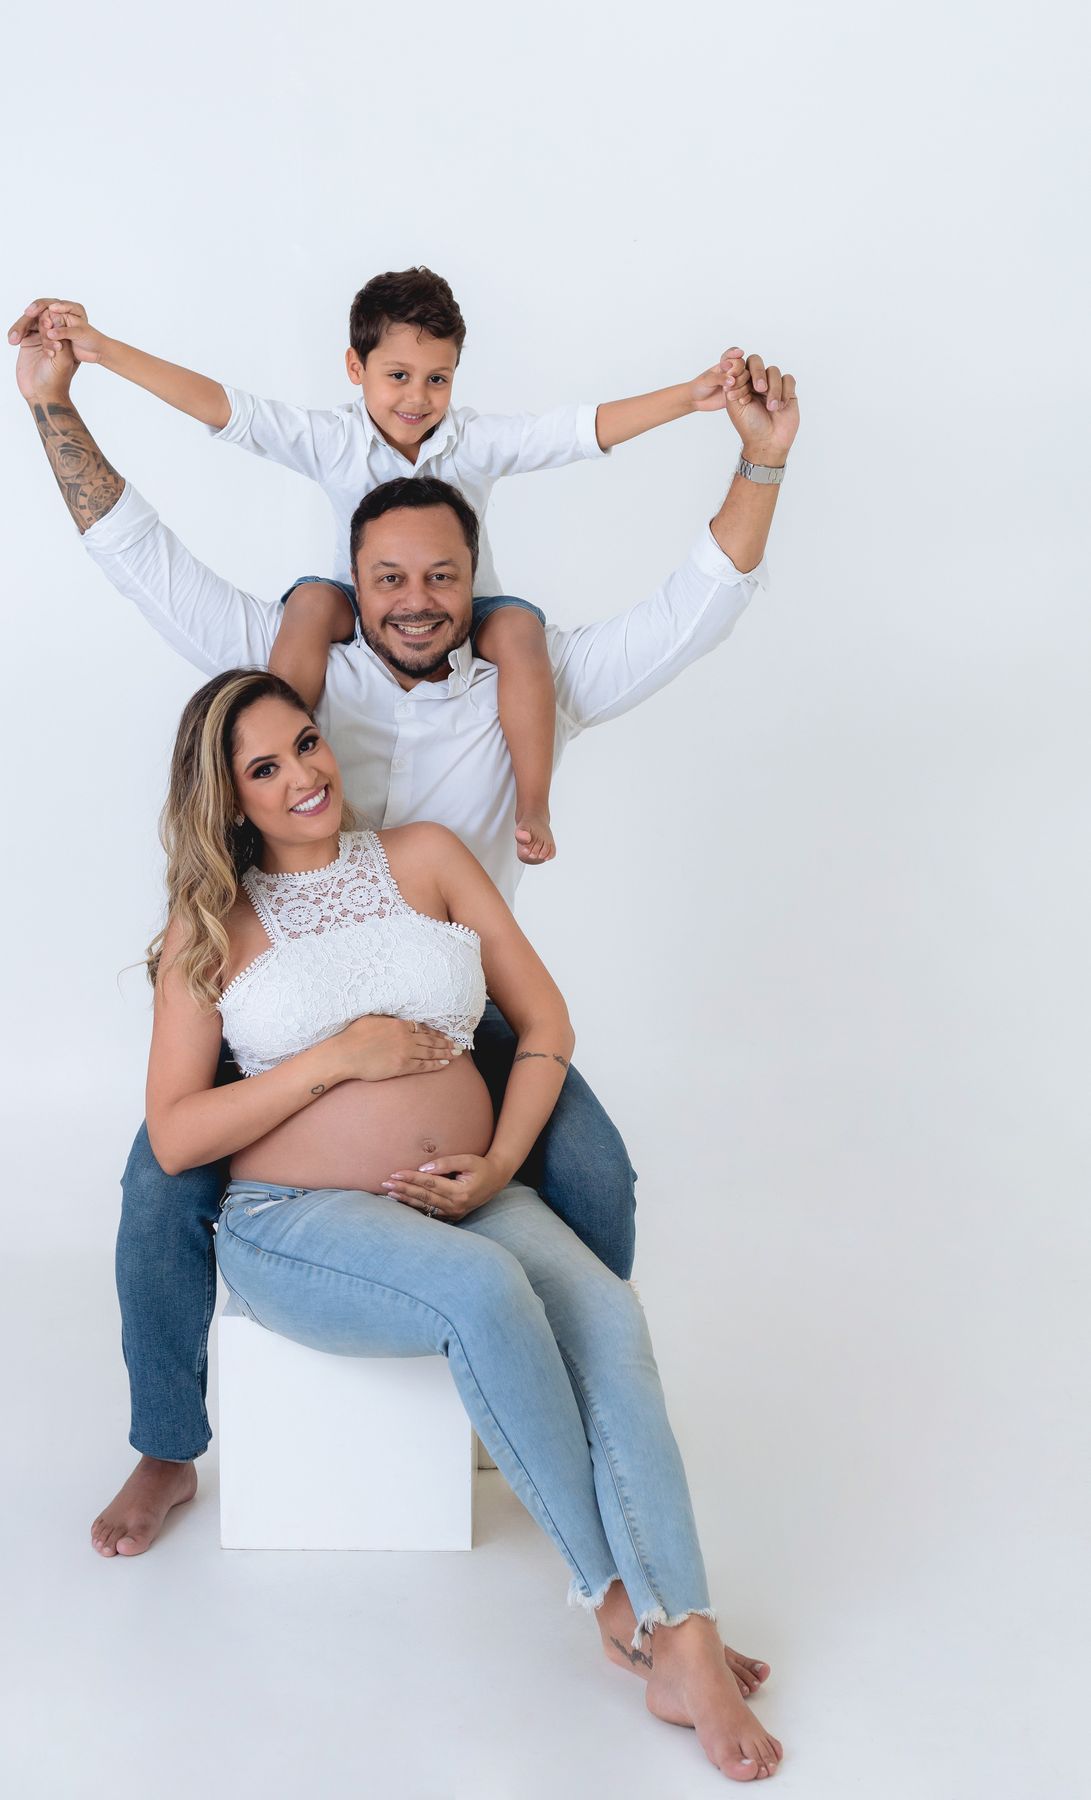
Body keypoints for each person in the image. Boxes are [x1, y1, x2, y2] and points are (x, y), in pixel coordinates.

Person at [10, 318, 798, 1578]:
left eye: (441, 579)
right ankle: (167, 1442)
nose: (416, 601)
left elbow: (695, 609)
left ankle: (542, 1387)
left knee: (596, 1172)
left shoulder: (531, 685)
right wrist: (57, 403)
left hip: (452, 999)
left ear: (476, 584)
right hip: (288, 1003)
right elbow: (140, 556)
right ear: (354, 584)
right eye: (388, 580)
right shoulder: (299, 693)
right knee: (157, 1186)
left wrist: (759, 460)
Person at [143, 662, 783, 1781]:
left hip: (466, 1196)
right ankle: (618, 1604)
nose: (302, 776)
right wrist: (341, 1058)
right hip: (296, 1222)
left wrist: (496, 1167)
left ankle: (686, 1631)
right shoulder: (212, 928)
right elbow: (175, 1135)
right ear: (228, 800)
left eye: (306, 744)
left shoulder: (426, 856)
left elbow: (545, 1024)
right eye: (264, 768)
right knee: (484, 1295)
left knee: (608, 1312)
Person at [8, 267, 759, 863]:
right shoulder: (332, 440)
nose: (418, 398)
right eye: (397, 376)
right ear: (355, 367)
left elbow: (577, 433)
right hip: (344, 602)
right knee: (310, 607)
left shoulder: (473, 440)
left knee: (521, 632)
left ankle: (535, 801)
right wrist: (102, 352)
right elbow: (226, 412)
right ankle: (285, 759)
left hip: (476, 615)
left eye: (438, 378)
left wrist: (688, 399)